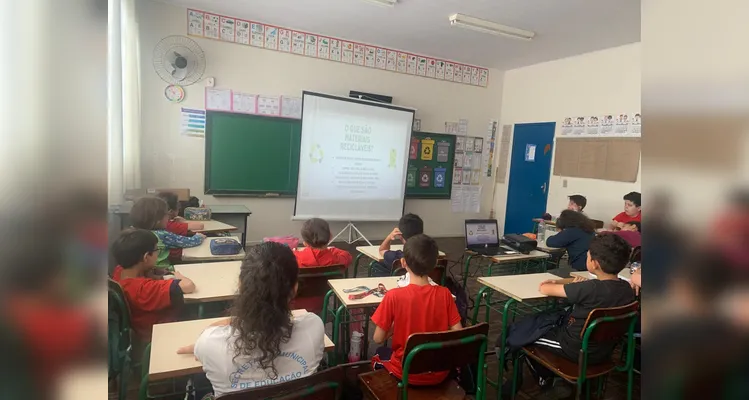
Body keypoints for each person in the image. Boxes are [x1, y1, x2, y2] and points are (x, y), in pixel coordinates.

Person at [176, 242, 325, 397]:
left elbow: (208, 335)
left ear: (240, 286)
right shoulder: (313, 328)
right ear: (295, 289)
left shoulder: (210, 343)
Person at [528, 234, 635, 389]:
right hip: (605, 350)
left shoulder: (589, 288)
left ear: (595, 264)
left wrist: (555, 282)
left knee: (528, 335)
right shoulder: (627, 289)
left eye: (588, 255)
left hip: (574, 349)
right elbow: (594, 291)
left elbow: (544, 288)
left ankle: (545, 376)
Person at [370, 234, 462, 385]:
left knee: (380, 354)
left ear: (403, 263)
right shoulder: (445, 294)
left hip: (405, 372)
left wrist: (396, 326)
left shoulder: (393, 296)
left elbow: (378, 338)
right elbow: (457, 333)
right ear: (434, 264)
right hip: (439, 372)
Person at [112, 228, 196, 340]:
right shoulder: (144, 289)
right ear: (146, 257)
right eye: (157, 250)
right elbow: (188, 286)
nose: (158, 253)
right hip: (160, 332)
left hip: (141, 327)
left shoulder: (119, 271)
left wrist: (151, 271)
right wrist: (177, 275)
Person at [130, 196, 205, 269]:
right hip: (163, 271)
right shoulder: (162, 235)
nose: (168, 218)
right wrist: (199, 236)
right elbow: (188, 242)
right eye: (166, 215)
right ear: (158, 220)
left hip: (145, 273)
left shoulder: (133, 233)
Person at [157, 192, 203, 262]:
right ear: (170, 212)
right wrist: (199, 236)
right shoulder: (164, 233)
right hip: (175, 260)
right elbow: (189, 241)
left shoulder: (149, 231)